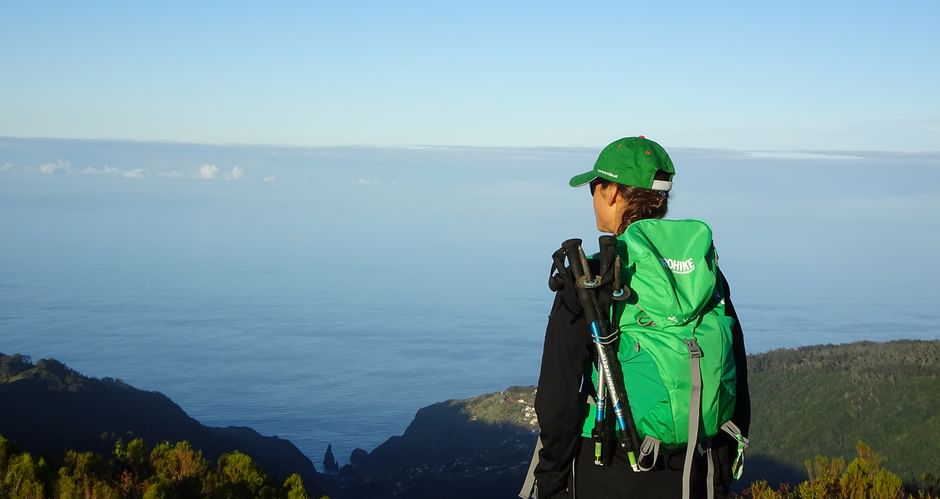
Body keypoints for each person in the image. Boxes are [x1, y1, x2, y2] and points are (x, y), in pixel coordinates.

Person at [531, 136, 751, 499]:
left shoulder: (590, 277)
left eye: (595, 186)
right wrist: (720, 470)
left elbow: (557, 400)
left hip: (610, 467)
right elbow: (734, 373)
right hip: (695, 470)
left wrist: (551, 482)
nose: (593, 196)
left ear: (614, 192)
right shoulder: (704, 275)